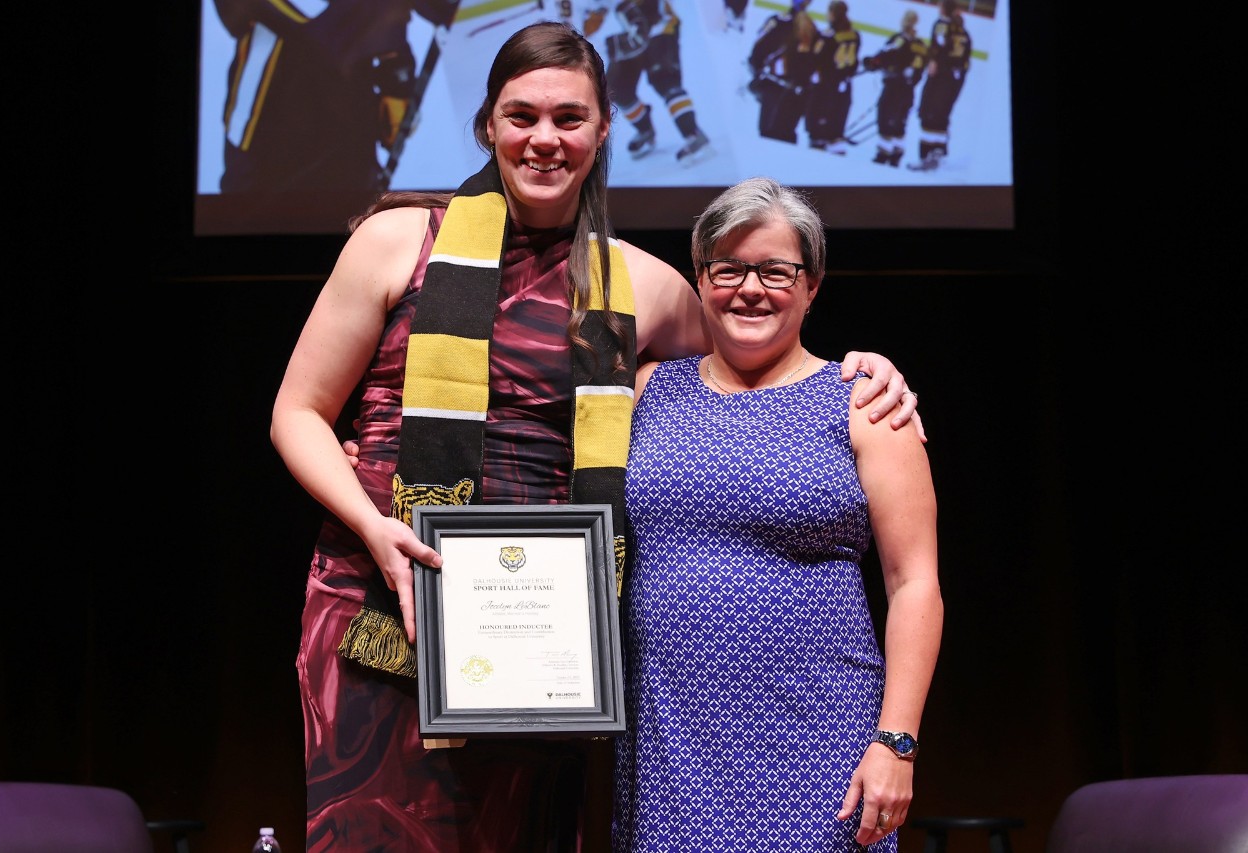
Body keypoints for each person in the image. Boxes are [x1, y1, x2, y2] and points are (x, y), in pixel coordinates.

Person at [272, 21, 921, 851]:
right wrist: (374, 528)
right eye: (523, 115)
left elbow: (757, 366)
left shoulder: (644, 284)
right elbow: (296, 413)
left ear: (605, 128)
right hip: (384, 601)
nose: (545, 138)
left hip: (552, 640)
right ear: (488, 124)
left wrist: (862, 370)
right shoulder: (397, 241)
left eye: (570, 118)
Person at [612, 177, 941, 851]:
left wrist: (897, 743)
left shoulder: (865, 403)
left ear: (812, 284)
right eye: (727, 268)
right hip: (670, 742)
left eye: (776, 270)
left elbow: (916, 585)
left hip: (821, 740)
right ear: (701, 280)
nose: (750, 289)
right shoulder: (646, 391)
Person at [213, 0, 457, 195]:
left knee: (350, 207)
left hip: (348, 110)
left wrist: (395, 75)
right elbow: (317, 17)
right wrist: (393, 68)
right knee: (261, 207)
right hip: (275, 113)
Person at [599, 0, 713, 164]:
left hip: (658, 26)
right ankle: (645, 130)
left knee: (665, 80)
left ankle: (693, 134)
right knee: (616, 89)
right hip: (629, 32)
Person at [746, 0, 822, 146]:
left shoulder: (778, 21)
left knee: (768, 134)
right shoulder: (813, 29)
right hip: (798, 91)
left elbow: (757, 51)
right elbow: (816, 62)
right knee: (786, 135)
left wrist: (757, 72)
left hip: (774, 87)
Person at [908, 0, 971, 171]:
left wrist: (935, 61)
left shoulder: (942, 24)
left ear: (943, 8)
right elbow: (966, 58)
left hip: (942, 76)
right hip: (956, 78)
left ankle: (927, 155)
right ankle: (939, 151)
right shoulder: (963, 30)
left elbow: (939, 45)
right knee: (942, 114)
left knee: (928, 112)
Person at [863, 9, 928, 168]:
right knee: (900, 122)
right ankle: (897, 154)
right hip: (909, 90)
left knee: (885, 118)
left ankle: (883, 153)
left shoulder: (899, 40)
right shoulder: (921, 46)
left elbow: (885, 56)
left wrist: (871, 63)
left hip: (894, 87)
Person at [804, 0, 861, 154]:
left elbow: (815, 58)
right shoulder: (855, 35)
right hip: (844, 87)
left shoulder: (827, 36)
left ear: (833, 14)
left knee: (818, 130)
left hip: (826, 87)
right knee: (836, 130)